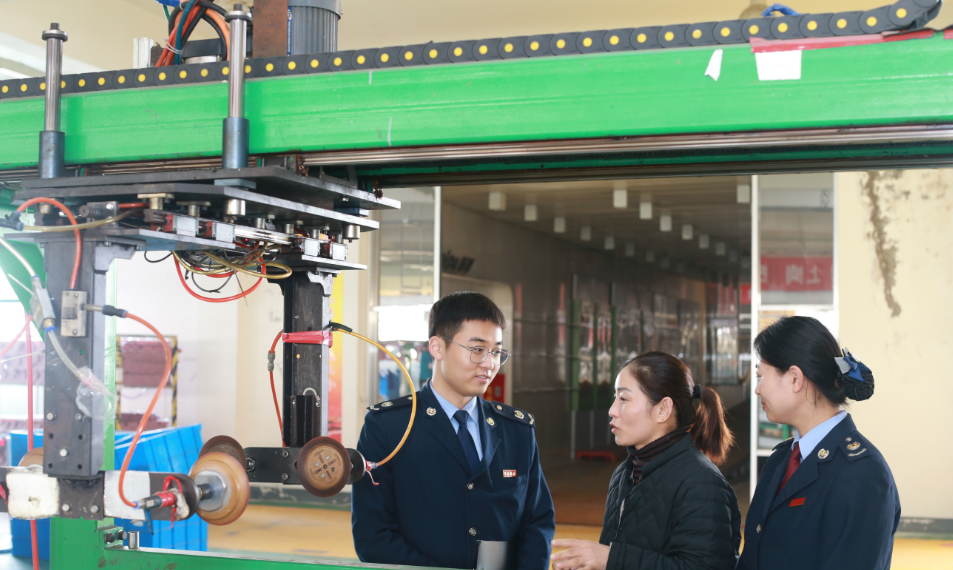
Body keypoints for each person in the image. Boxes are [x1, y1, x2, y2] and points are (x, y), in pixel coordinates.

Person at [351, 291, 555, 569]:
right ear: (437, 348)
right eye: (477, 349)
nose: (489, 364)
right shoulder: (389, 426)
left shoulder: (516, 430)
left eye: (496, 351)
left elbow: (537, 522)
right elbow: (373, 535)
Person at [551, 351, 741, 570]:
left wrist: (609, 559)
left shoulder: (702, 483)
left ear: (663, 410)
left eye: (623, 399)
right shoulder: (624, 474)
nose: (612, 410)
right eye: (615, 398)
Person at [737, 316, 899, 570]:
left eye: (761, 376)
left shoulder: (862, 473)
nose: (758, 390)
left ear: (794, 378)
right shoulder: (781, 460)